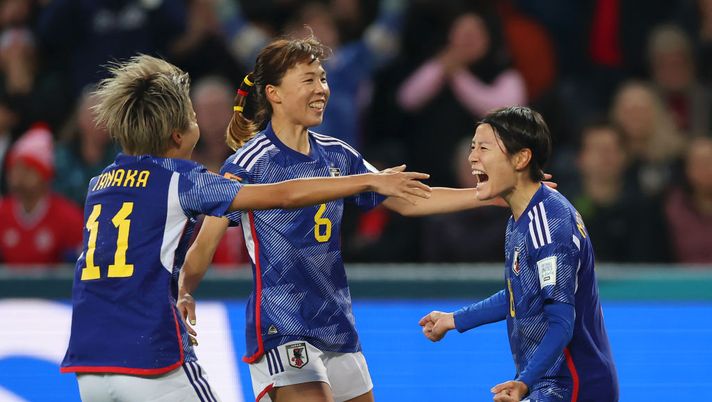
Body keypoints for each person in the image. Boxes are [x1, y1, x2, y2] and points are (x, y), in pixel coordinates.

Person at [58, 54, 430, 402]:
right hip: (149, 356)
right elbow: (283, 195)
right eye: (192, 117)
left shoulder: (101, 184)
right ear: (177, 135)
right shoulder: (182, 180)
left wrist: (185, 289)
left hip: (89, 365)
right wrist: (365, 182)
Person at [178, 34, 515, 402]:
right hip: (282, 326)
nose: (322, 88)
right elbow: (204, 245)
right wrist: (183, 290)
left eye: (322, 78)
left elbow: (407, 201)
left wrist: (489, 195)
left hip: (337, 324)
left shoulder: (339, 156)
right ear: (274, 93)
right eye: (308, 80)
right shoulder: (248, 164)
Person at [419, 106, 618, 401]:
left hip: (573, 387)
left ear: (521, 158)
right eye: (473, 147)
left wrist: (523, 382)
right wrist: (454, 319)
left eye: (484, 148)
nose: (472, 157)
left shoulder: (549, 225)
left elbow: (562, 321)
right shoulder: (521, 218)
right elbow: (521, 294)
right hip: (550, 383)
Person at [0, 123, 83, 265]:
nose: (18, 176)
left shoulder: (68, 217)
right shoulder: (3, 212)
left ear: (44, 175)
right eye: (14, 168)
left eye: (27, 169)